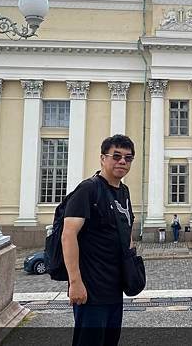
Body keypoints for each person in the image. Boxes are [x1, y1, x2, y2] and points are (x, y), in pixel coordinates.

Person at [62, 134, 136, 346]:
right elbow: (68, 235)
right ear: (103, 158)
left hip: (114, 288)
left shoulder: (124, 192)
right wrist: (75, 283)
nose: (122, 161)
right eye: (116, 156)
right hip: (91, 290)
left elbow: (126, 230)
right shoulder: (88, 189)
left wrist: (132, 268)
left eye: (128, 158)